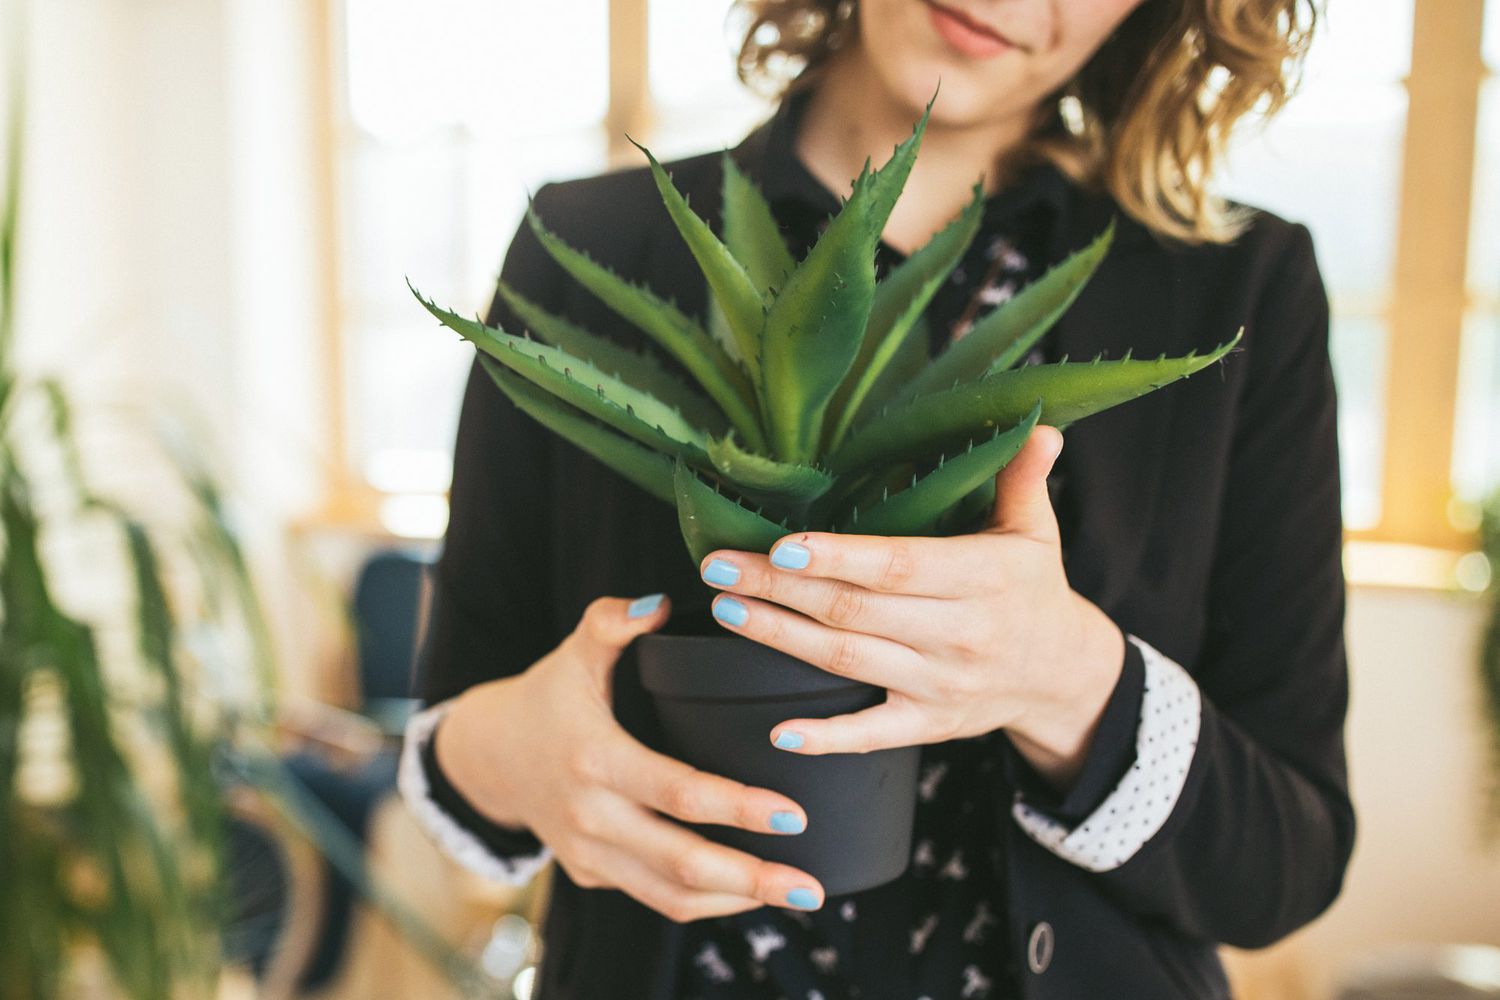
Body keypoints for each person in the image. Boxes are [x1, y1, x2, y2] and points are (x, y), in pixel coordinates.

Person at [397, 0, 1355, 997]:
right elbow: (452, 741)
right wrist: (515, 755)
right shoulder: (591, 244)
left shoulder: (1236, 288)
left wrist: (1066, 677)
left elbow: (1287, 863)